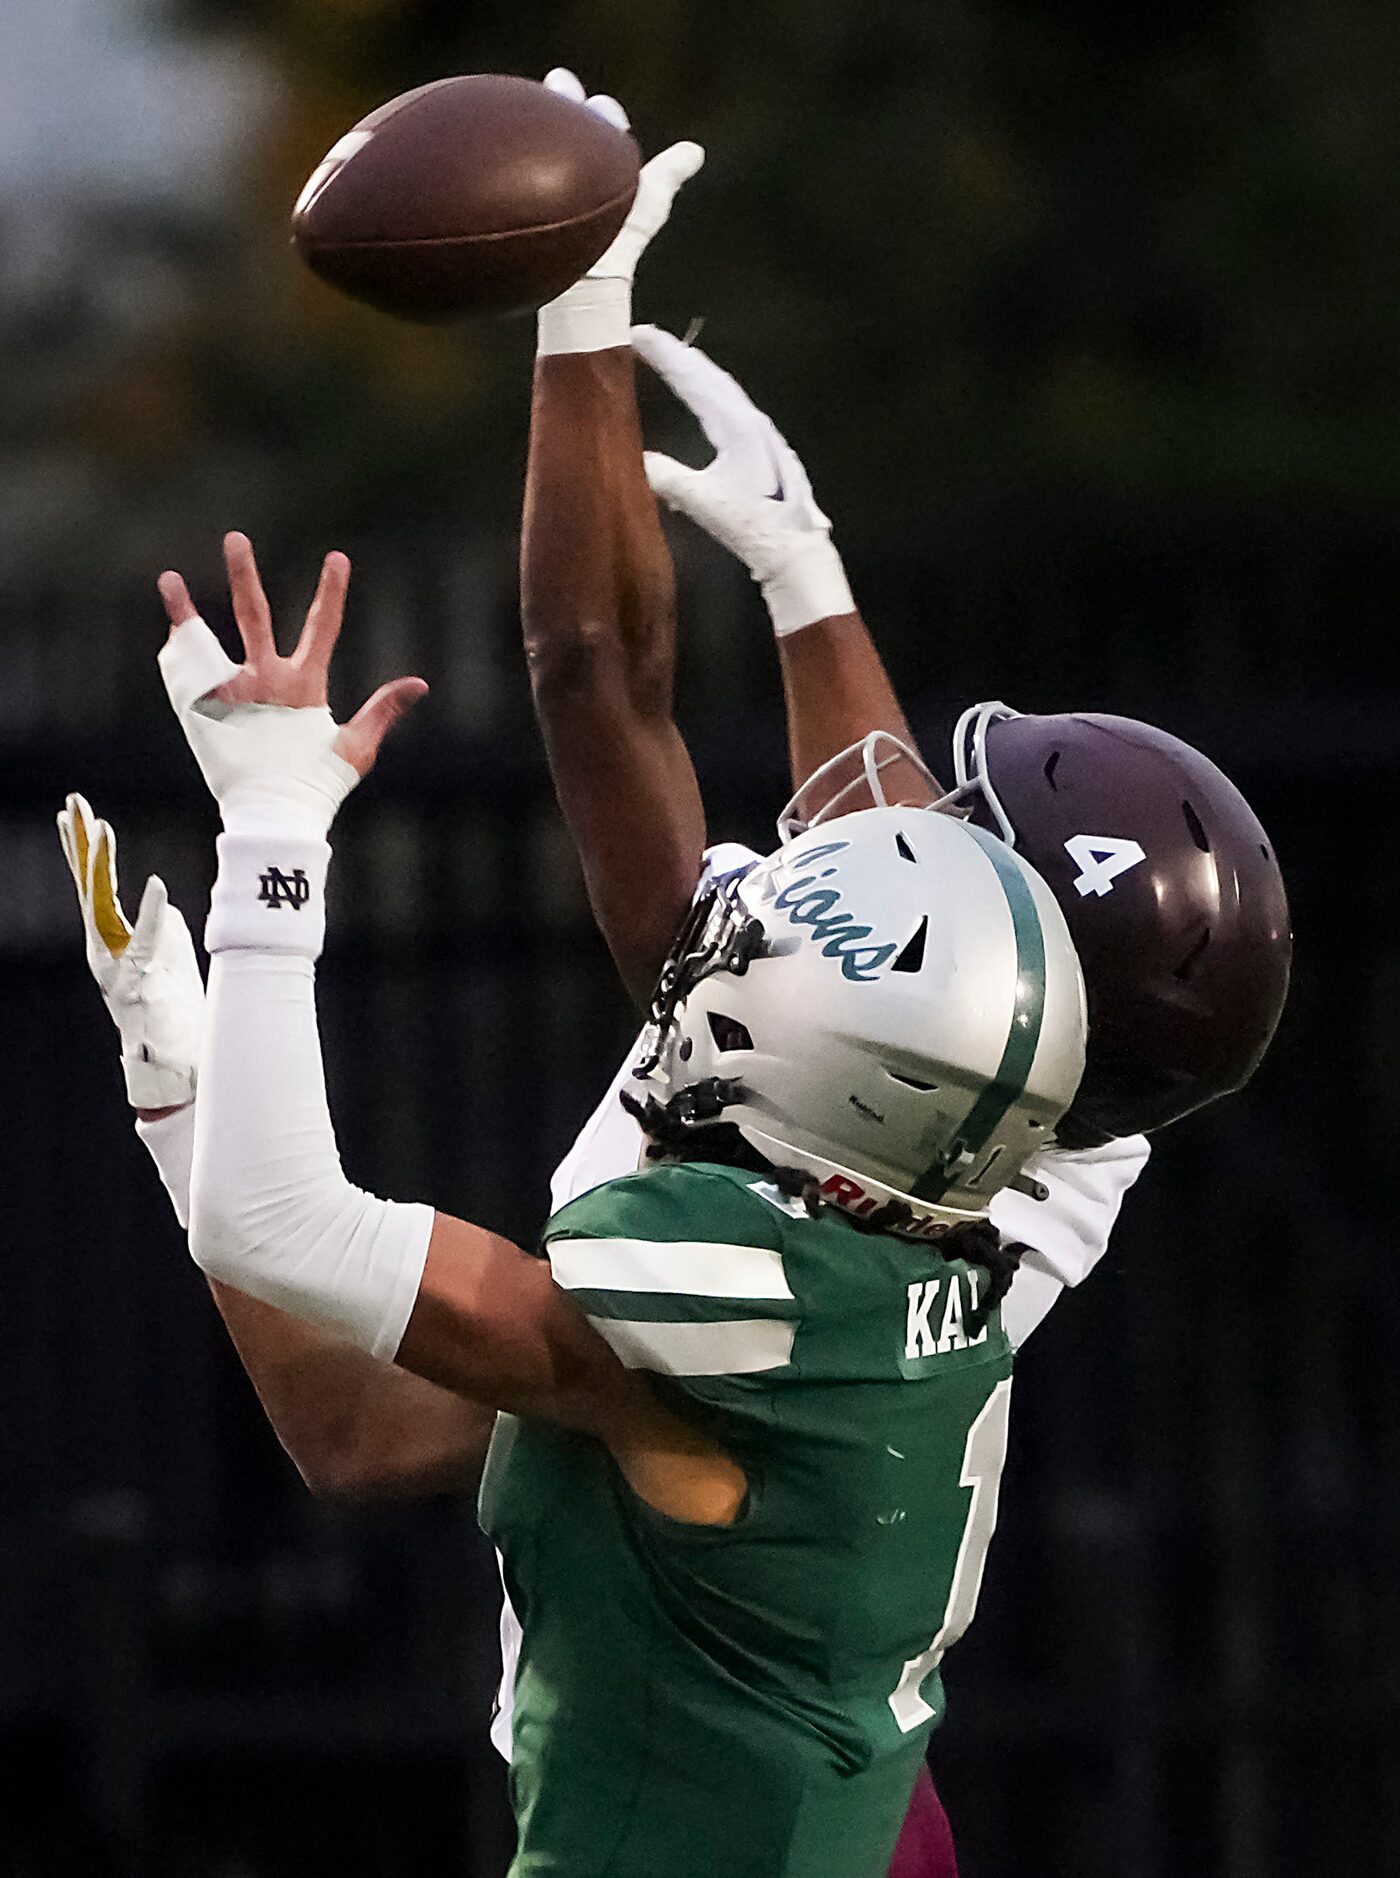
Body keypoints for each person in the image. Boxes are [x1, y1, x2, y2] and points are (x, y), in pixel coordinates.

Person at [80, 526, 1087, 1878]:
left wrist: (271, 843)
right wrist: (179, 1084)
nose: (743, 928)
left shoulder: (731, 1305)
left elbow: (279, 1223)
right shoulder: (920, 1225)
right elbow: (354, 1419)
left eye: (806, 949)